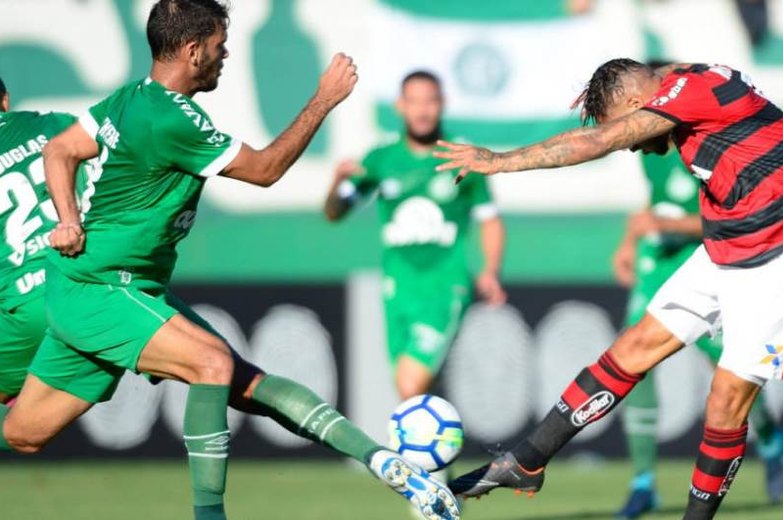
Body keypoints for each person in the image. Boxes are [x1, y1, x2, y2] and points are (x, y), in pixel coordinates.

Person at [0, 2, 460, 520]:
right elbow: (264, 170)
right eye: (219, 46)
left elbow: (61, 150)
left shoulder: (131, 97)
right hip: (103, 287)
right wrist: (323, 99)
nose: (225, 55)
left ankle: (386, 465)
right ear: (194, 51)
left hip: (116, 288)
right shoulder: (172, 118)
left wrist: (68, 219)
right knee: (214, 365)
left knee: (24, 434)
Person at [434, 58, 783, 519]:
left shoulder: (686, 93)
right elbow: (642, 82)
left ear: (637, 103)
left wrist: (500, 161)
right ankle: (527, 461)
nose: (632, 146)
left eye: (627, 124)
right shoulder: (677, 80)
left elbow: (600, 140)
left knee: (726, 397)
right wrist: (604, 88)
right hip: (728, 244)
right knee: (633, 348)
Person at [613, 108, 783, 517]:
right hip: (653, 264)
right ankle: (643, 482)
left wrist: (663, 224)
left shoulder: (708, 146)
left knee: (729, 368)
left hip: (703, 263)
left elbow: (728, 217)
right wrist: (628, 241)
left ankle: (769, 435)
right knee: (632, 359)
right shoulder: (650, 149)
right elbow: (654, 203)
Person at [324, 71, 506, 402]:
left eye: (430, 101)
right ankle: (430, 451)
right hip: (397, 288)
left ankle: (417, 449)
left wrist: (490, 269)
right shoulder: (380, 160)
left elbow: (489, 219)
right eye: (414, 102)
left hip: (444, 287)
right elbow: (336, 212)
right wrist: (337, 183)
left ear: (442, 105)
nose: (422, 111)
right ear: (400, 106)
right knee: (410, 390)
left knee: (410, 383)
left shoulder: (462, 160)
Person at [0, 76, 95, 404]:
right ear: (6, 101)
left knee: (25, 433)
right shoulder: (59, 125)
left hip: (28, 306)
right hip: (96, 286)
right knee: (216, 366)